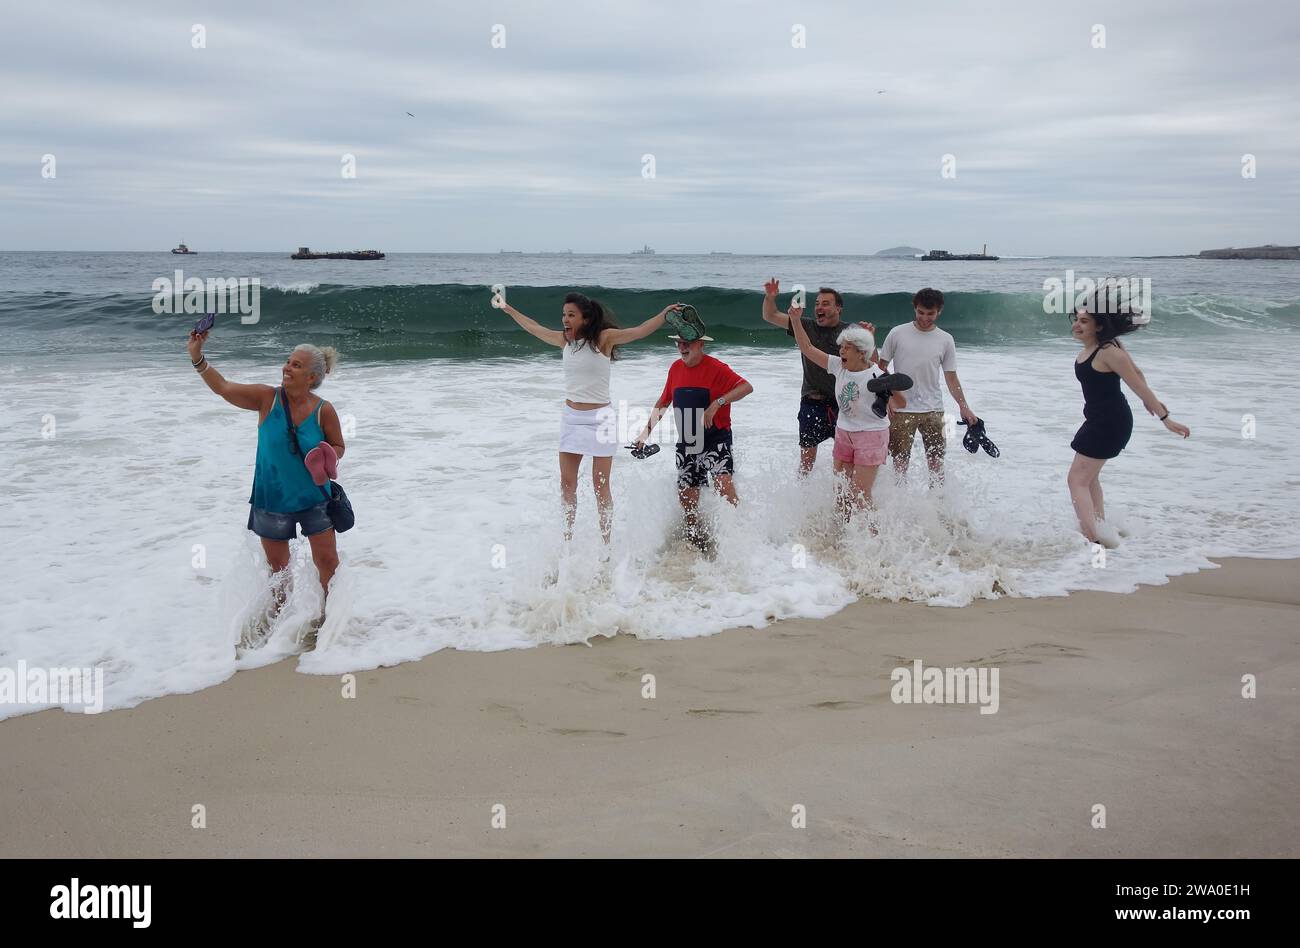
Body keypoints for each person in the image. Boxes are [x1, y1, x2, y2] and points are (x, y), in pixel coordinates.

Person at [187, 329, 346, 619]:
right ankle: (280, 623)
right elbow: (223, 387)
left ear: (311, 377)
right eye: (288, 362)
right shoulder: (266, 398)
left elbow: (338, 446)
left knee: (327, 562)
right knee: (278, 570)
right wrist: (198, 357)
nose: (287, 368)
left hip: (315, 497)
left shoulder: (324, 410)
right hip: (271, 497)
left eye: (296, 365)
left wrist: (327, 454)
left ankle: (328, 620)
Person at [498, 292, 681, 542]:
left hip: (600, 419)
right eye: (563, 315)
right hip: (571, 419)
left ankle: (606, 542)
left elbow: (639, 331)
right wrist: (508, 308)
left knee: (600, 484)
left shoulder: (603, 340)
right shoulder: (565, 341)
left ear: (585, 318)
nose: (565, 319)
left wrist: (663, 315)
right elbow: (533, 327)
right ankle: (567, 539)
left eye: (571, 315)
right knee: (567, 484)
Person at [1068, 295, 1189, 546]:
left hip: (1109, 422)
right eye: (1077, 320)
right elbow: (1139, 373)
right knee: (1088, 478)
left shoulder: (1109, 352)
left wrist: (1164, 417)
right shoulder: (1106, 346)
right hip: (1098, 419)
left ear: (1098, 326)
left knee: (1076, 480)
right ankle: (1099, 527)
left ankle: (1093, 539)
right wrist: (1149, 403)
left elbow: (1133, 378)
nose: (1077, 325)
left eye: (1084, 322)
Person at [633, 332, 753, 548]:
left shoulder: (717, 368)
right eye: (678, 343)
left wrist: (718, 403)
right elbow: (663, 401)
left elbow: (746, 387)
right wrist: (645, 433)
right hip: (688, 441)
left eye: (686, 343)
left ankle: (738, 536)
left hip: (716, 438)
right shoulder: (675, 369)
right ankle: (695, 539)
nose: (681, 347)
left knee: (723, 485)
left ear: (700, 344)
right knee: (687, 497)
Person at [788, 308, 906, 516]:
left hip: (871, 435)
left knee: (860, 494)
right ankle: (843, 538)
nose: (841, 351)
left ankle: (874, 537)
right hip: (844, 433)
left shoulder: (878, 375)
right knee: (841, 492)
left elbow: (902, 402)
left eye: (847, 348)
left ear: (862, 353)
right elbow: (806, 348)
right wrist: (796, 320)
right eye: (841, 346)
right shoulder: (838, 367)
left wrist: (888, 396)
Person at [762, 279, 876, 475]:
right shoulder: (805, 326)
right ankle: (804, 499)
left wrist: (869, 340)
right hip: (812, 402)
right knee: (806, 461)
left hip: (844, 404)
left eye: (825, 304)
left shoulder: (851, 332)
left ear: (838, 308)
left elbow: (871, 364)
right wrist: (770, 297)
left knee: (846, 461)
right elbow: (770, 315)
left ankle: (845, 497)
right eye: (816, 304)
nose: (819, 308)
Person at [877, 288, 977, 482]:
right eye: (920, 312)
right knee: (899, 466)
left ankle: (937, 508)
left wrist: (964, 407)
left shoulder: (946, 339)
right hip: (901, 409)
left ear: (939, 311)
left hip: (936, 410)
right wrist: (889, 398)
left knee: (937, 465)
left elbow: (951, 377)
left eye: (930, 314)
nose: (924, 318)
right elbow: (881, 369)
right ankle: (900, 507)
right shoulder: (897, 333)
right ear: (915, 308)